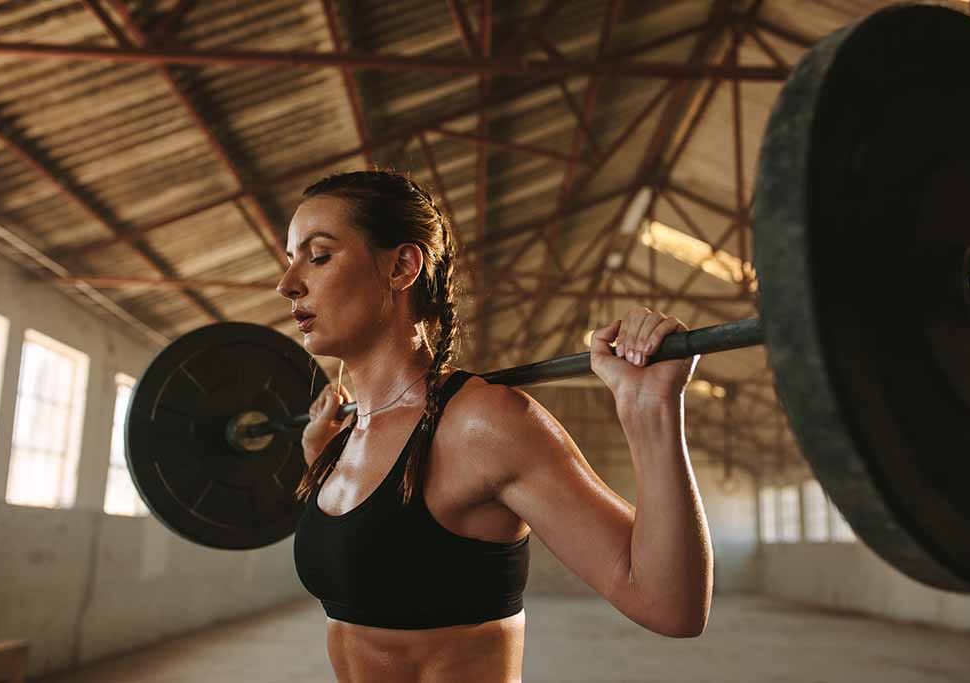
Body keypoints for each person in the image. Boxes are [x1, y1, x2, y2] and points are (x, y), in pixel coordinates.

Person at [276, 170, 712, 683]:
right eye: (290, 261)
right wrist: (320, 458)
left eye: (319, 256)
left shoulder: (482, 425)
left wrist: (652, 412)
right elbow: (372, 549)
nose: (288, 284)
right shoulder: (341, 444)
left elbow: (670, 606)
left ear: (401, 267)